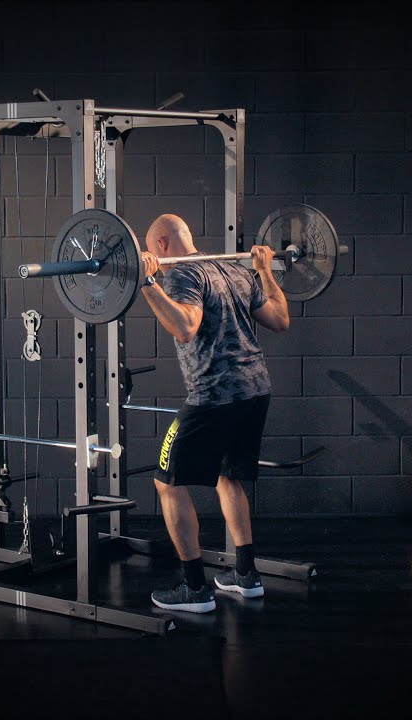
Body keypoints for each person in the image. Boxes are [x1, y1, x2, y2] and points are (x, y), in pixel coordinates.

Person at [138, 213, 290, 613]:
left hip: (215, 395)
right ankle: (246, 575)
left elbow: (186, 327)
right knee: (228, 476)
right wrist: (263, 271)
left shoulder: (182, 273)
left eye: (151, 249)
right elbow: (280, 318)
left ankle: (195, 589)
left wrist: (147, 282)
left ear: (162, 246)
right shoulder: (230, 268)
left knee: (167, 484)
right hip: (255, 390)